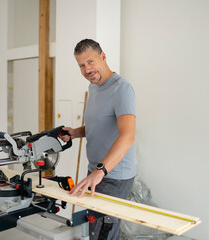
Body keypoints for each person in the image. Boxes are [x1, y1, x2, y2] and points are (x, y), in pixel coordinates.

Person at [60, 39, 136, 240]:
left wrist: (99, 171)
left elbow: (128, 135)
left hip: (113, 175)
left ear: (103, 56)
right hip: (95, 170)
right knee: (96, 229)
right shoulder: (93, 88)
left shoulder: (122, 89)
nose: (87, 69)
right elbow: (98, 125)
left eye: (91, 61)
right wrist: (75, 132)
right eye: (82, 66)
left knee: (103, 233)